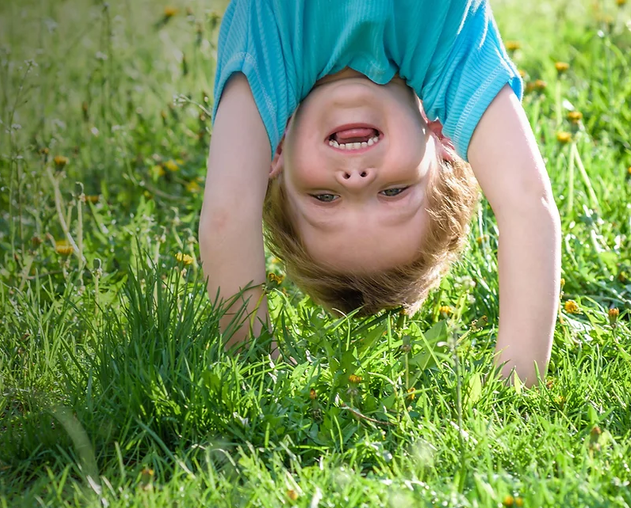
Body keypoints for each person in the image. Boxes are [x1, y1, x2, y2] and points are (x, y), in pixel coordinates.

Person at [198, 0, 561, 385]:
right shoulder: (443, 35)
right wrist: (518, 381)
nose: (357, 179)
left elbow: (227, 214)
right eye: (393, 191)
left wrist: (256, 368)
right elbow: (526, 200)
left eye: (324, 197)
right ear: (445, 146)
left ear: (275, 156)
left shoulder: (271, 43)